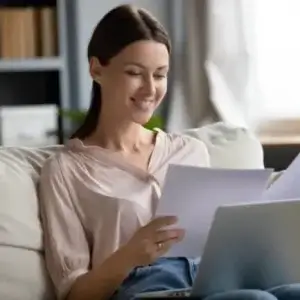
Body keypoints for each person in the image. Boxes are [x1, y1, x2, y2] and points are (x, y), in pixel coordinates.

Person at [38, 4, 300, 300]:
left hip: (211, 278)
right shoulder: (65, 170)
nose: (150, 89)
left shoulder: (189, 151)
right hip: (144, 288)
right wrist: (130, 254)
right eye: (135, 73)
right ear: (97, 69)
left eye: (160, 75)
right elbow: (73, 293)